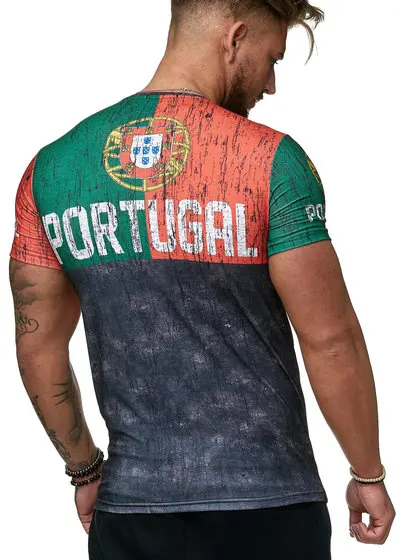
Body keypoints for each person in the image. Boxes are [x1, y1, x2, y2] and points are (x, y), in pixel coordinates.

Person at [9, 1, 396, 558]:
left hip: (132, 511)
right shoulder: (273, 162)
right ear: (234, 38)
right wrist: (367, 471)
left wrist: (85, 470)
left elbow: (38, 346)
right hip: (271, 512)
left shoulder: (51, 171)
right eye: (272, 59)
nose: (271, 84)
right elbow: (330, 339)